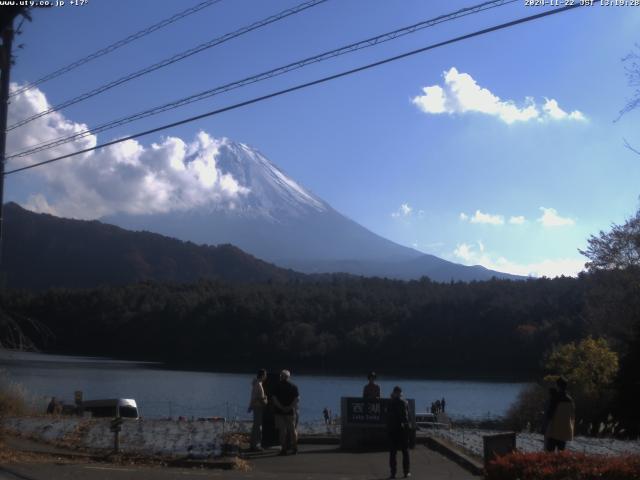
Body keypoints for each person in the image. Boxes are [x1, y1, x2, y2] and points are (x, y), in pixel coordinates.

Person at [271, 369, 299, 455]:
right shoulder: (294, 386)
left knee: (282, 431)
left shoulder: (276, 386)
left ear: (281, 376)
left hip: (279, 412)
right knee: (293, 430)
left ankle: (283, 449)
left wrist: (281, 407)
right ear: (289, 377)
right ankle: (295, 448)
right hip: (290, 412)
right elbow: (297, 399)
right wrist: (289, 407)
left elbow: (274, 399)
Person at [544, 377, 575, 452]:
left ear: (558, 386)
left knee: (549, 452)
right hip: (565, 430)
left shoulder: (555, 398)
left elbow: (549, 414)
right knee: (561, 452)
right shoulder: (570, 400)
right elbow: (572, 415)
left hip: (553, 430)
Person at [387, 386, 411, 479]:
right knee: (405, 451)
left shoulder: (390, 402)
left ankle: (393, 473)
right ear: (400, 393)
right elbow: (405, 417)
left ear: (393, 392)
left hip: (392, 430)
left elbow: (388, 417)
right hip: (402, 430)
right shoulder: (403, 402)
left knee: (393, 453)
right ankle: (406, 472)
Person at [248, 369, 268, 451]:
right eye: (265, 375)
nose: (266, 377)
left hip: (256, 406)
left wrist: (250, 406)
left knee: (255, 426)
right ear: (262, 375)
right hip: (258, 407)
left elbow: (254, 397)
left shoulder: (257, 383)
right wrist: (265, 399)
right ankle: (256, 445)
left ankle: (253, 444)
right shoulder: (258, 385)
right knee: (258, 426)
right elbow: (258, 397)